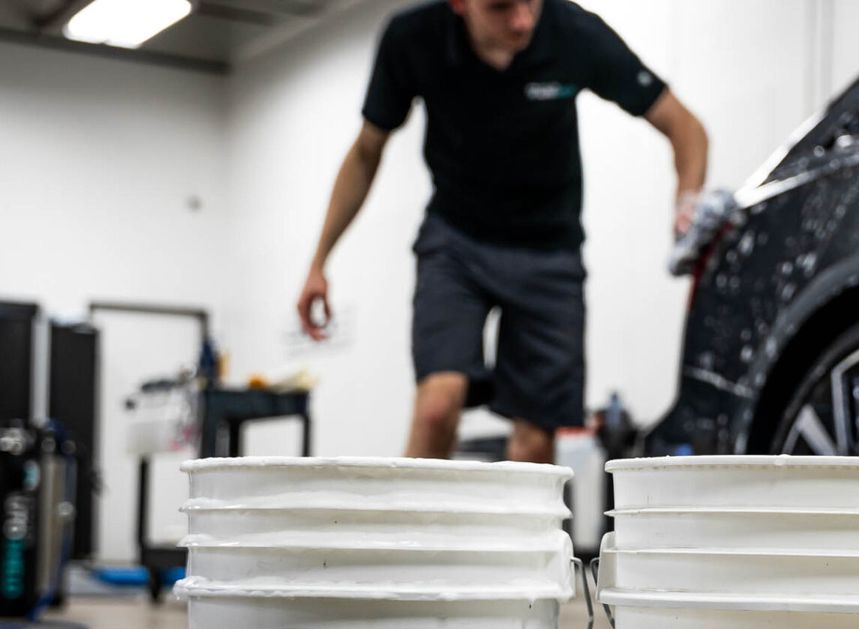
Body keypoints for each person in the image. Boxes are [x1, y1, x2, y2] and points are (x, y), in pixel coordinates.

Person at [296, 0, 709, 465]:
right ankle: (413, 534)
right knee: (436, 407)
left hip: (550, 252)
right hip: (456, 241)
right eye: (500, 8)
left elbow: (687, 128)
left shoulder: (575, 33)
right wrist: (319, 262)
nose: (522, 21)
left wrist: (687, 203)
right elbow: (366, 152)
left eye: (531, 2)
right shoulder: (412, 39)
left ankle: (518, 537)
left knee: (534, 442)